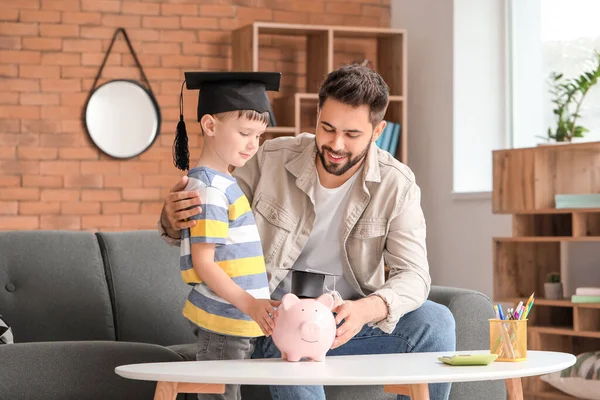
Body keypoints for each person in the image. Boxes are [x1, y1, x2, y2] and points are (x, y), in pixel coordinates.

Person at [159, 64, 456, 400]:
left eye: (352, 134)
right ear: (316, 113)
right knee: (297, 345)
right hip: (269, 321)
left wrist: (366, 310)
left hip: (342, 324)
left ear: (377, 131)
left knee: (437, 321)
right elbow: (208, 222)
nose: (336, 144)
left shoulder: (397, 185)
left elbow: (415, 275)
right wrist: (172, 218)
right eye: (327, 128)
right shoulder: (270, 159)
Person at [172, 71, 283, 400]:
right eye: (245, 133)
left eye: (259, 136)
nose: (254, 144)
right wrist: (251, 304)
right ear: (210, 126)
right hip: (224, 321)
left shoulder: (223, 182)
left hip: (236, 319)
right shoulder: (207, 188)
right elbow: (203, 263)